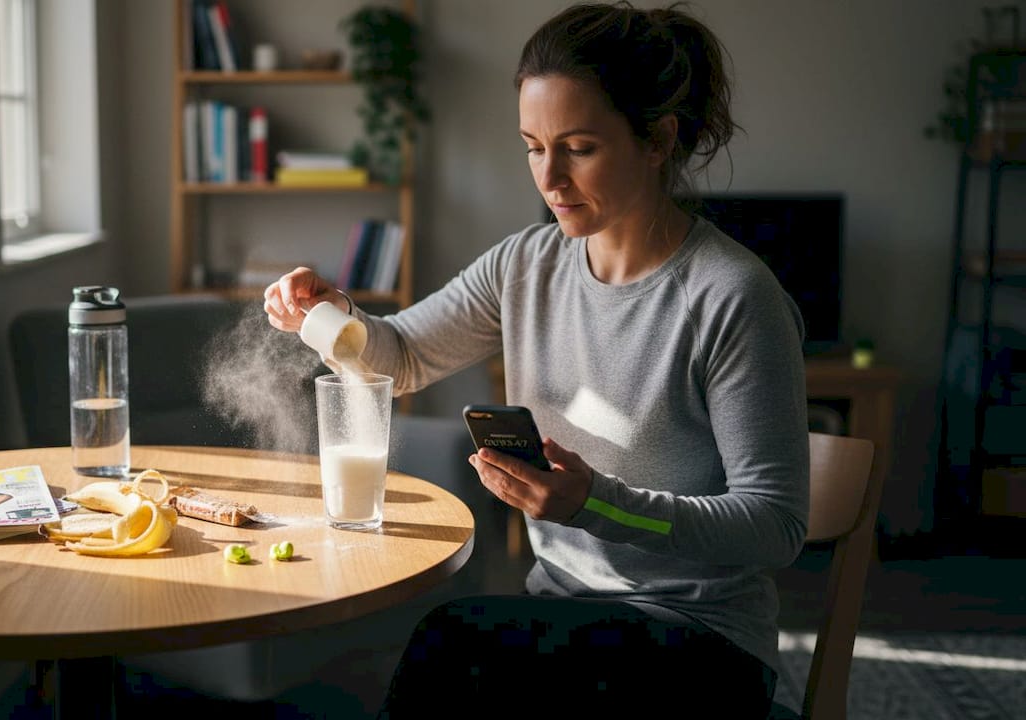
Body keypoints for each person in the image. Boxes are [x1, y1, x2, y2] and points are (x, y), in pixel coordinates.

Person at [264, 2, 808, 715]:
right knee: (465, 653)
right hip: (566, 615)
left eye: (579, 147)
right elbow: (399, 360)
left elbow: (774, 527)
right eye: (532, 145)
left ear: (657, 141)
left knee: (455, 647)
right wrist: (326, 316)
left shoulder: (731, 297)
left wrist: (597, 505)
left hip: (702, 641)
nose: (549, 178)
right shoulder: (526, 266)